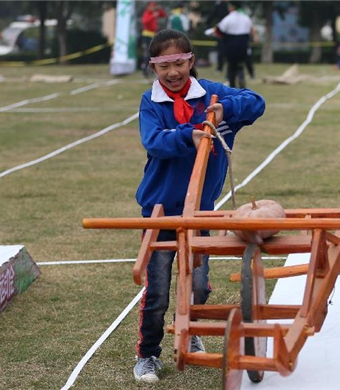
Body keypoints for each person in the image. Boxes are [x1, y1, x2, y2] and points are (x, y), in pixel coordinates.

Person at [133, 29, 265, 383]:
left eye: (179, 63)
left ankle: (189, 329)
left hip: (201, 212)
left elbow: (257, 102)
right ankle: (147, 354)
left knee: (199, 284)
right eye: (164, 66)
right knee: (158, 287)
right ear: (153, 68)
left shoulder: (213, 93)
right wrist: (187, 135)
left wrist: (226, 109)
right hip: (160, 211)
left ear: (191, 61)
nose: (173, 72)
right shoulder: (152, 102)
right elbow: (153, 140)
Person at [213, 1, 255, 88]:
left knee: (231, 66)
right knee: (240, 64)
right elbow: (251, 29)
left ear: (232, 7)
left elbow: (219, 30)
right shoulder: (246, 17)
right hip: (244, 45)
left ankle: (232, 85)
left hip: (231, 45)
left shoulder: (229, 18)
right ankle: (242, 78)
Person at [140, 2, 167, 78]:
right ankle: (145, 69)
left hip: (153, 34)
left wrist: (160, 9)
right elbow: (145, 22)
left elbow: (163, 15)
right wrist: (153, 16)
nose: (153, 7)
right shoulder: (147, 13)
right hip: (147, 34)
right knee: (148, 53)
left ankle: (151, 69)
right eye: (152, 6)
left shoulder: (155, 12)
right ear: (148, 7)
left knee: (154, 53)